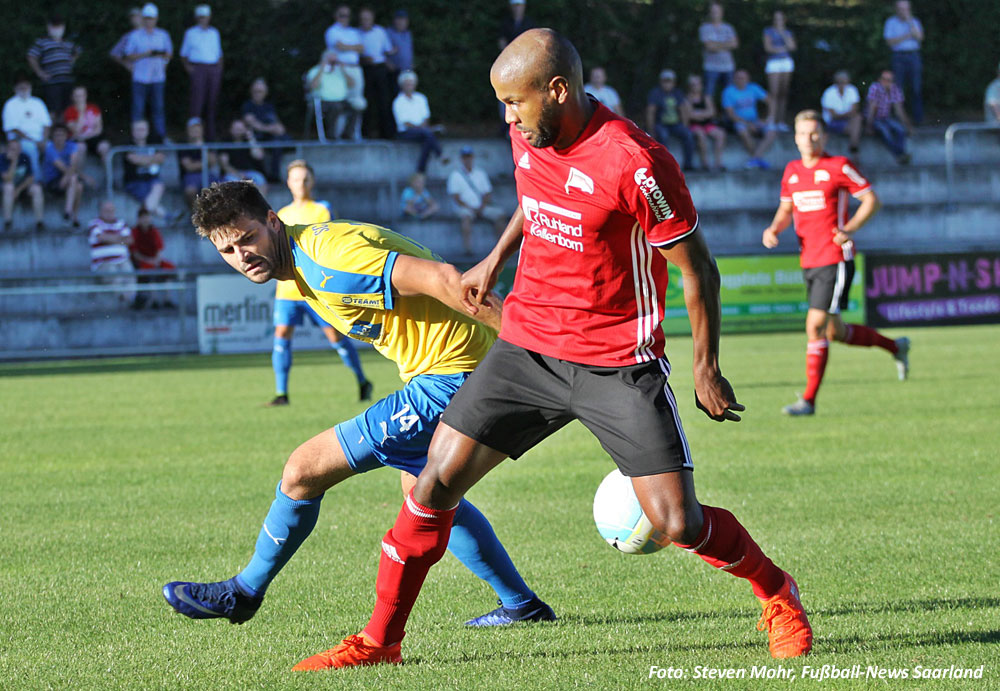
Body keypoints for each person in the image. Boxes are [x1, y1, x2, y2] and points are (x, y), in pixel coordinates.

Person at [305, 27, 812, 670]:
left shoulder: (636, 161)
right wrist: (496, 254)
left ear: (558, 90)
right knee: (433, 483)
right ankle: (380, 642)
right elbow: (534, 193)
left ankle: (778, 592)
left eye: (515, 103)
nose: (506, 117)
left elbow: (697, 269)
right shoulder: (529, 132)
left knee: (677, 522)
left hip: (616, 360)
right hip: (527, 345)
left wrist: (705, 366)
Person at [164, 180, 555, 645]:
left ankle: (244, 592)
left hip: (456, 378)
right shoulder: (305, 265)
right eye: (227, 249)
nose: (241, 255)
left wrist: (541, 351)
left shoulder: (331, 258)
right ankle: (522, 606)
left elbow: (451, 281)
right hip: (451, 374)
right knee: (426, 490)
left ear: (272, 220)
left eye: (246, 238)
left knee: (302, 471)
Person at [762, 110, 909, 416]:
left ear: (824, 136)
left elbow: (871, 199)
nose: (809, 139)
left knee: (814, 326)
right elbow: (786, 209)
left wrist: (849, 230)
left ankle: (808, 401)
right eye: (803, 133)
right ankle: (896, 347)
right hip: (809, 260)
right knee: (833, 332)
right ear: (796, 137)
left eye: (815, 133)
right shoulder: (791, 171)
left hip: (835, 257)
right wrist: (774, 229)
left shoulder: (838, 165)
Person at [267, 159, 371, 406]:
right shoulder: (282, 214)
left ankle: (362, 380)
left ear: (312, 182)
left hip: (314, 287)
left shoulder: (322, 210)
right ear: (288, 183)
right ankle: (282, 393)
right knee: (281, 333)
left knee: (334, 336)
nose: (300, 184)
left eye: (305, 179)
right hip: (288, 289)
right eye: (295, 179)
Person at [122, 3, 173, 141]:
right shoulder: (135, 36)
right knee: (138, 110)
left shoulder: (163, 35)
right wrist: (145, 54)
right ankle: (136, 140)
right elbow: (128, 55)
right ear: (143, 19)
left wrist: (161, 56)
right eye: (147, 18)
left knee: (159, 110)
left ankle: (160, 138)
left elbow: (169, 54)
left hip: (158, 77)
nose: (149, 21)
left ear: (156, 19)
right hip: (140, 77)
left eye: (152, 18)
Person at [446, 146, 505, 255]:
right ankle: (468, 250)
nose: (467, 159)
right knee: (466, 217)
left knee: (500, 215)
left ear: (472, 157)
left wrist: (481, 207)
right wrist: (471, 208)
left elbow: (487, 193)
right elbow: (456, 197)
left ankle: (501, 248)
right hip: (464, 207)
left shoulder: (480, 173)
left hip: (481, 206)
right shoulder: (455, 175)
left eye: (469, 156)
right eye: (465, 157)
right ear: (461, 158)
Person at [180, 4, 224, 141]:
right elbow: (183, 54)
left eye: (205, 17)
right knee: (196, 104)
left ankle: (210, 136)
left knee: (212, 103)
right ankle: (194, 138)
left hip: (213, 69)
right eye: (200, 17)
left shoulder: (214, 33)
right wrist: (190, 69)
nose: (202, 19)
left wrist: (218, 69)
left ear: (209, 17)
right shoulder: (190, 33)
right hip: (198, 68)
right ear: (196, 18)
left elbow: (219, 54)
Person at [26, 14, 81, 120]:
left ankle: (64, 134)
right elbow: (31, 56)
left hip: (67, 81)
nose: (57, 29)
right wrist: (39, 72)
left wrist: (72, 61)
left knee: (67, 110)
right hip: (52, 82)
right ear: (49, 27)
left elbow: (78, 51)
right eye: (54, 26)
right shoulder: (42, 42)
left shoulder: (68, 43)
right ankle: (52, 134)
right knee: (53, 111)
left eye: (59, 26)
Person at [722, 69, 777, 169]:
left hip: (755, 120)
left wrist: (769, 118)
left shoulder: (753, 88)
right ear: (734, 79)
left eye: (743, 78)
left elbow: (770, 101)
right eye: (738, 78)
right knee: (742, 131)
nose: (740, 80)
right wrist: (748, 124)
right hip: (739, 122)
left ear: (748, 79)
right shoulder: (728, 92)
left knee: (772, 131)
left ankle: (755, 158)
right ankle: (757, 159)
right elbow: (730, 114)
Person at [325, 5, 366, 141]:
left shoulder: (354, 32)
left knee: (358, 102)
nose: (345, 18)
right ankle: (337, 134)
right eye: (342, 15)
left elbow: (361, 49)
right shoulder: (332, 31)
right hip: (340, 69)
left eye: (347, 15)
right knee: (342, 101)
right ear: (336, 16)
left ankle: (354, 134)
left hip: (355, 69)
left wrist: (347, 47)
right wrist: (353, 47)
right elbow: (339, 46)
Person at [392, 70, 444, 173]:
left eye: (411, 83)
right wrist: (422, 128)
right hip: (405, 133)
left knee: (428, 138)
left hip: (422, 131)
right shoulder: (398, 101)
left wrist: (422, 128)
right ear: (402, 85)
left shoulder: (421, 98)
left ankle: (420, 170)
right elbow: (405, 123)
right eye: (407, 84)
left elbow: (426, 118)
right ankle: (440, 155)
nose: (409, 86)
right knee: (428, 134)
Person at [2, 75, 51, 180]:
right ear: (15, 89)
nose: (24, 89)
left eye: (26, 86)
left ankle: (50, 180)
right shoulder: (10, 104)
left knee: (51, 148)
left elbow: (46, 125)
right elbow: (13, 128)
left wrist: (44, 140)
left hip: (41, 139)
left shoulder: (38, 102)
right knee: (31, 149)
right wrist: (34, 141)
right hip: (21, 140)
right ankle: (37, 181)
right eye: (21, 87)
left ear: (30, 87)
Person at [88, 199, 136, 305]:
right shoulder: (94, 223)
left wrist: (111, 239)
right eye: (106, 211)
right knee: (115, 275)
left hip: (122, 260)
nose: (109, 213)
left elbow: (129, 241)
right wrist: (120, 239)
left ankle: (130, 300)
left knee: (130, 275)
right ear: (100, 211)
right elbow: (101, 238)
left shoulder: (121, 223)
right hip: (103, 262)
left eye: (111, 210)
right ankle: (125, 299)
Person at [240, 78, 289, 182]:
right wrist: (269, 128)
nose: (258, 94)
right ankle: (265, 176)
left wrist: (268, 128)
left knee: (278, 142)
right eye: (256, 91)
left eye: (260, 91)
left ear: (265, 92)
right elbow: (252, 124)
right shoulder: (247, 106)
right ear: (251, 91)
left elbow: (280, 128)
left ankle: (274, 176)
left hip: (270, 138)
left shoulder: (269, 106)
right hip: (253, 138)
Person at [883, 0, 923, 125]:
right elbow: (890, 42)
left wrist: (910, 22)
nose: (903, 11)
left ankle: (917, 119)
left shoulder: (914, 21)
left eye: (905, 9)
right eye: (901, 9)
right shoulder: (891, 22)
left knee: (916, 88)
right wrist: (906, 36)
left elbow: (920, 38)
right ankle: (899, 118)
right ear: (896, 9)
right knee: (898, 88)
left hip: (913, 55)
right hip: (898, 57)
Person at [645, 69, 695, 171]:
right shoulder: (655, 93)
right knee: (663, 136)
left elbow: (682, 110)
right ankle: (666, 165)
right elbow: (651, 112)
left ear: (674, 82)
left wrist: (685, 126)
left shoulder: (677, 93)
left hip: (675, 124)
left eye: (670, 81)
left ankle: (688, 164)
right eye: (665, 81)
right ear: (661, 81)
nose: (667, 84)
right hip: (661, 124)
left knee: (688, 135)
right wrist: (651, 129)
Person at [359, 7, 396, 140]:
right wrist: (363, 59)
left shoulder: (380, 31)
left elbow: (387, 50)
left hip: (380, 69)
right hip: (365, 69)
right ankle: (366, 134)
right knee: (366, 102)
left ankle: (385, 134)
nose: (365, 21)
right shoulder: (356, 34)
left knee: (384, 101)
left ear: (372, 19)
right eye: (363, 19)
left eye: (367, 18)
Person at [305, 51, 360, 141]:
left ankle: (347, 135)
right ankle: (331, 136)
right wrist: (322, 69)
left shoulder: (340, 71)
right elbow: (313, 86)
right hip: (323, 101)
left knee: (355, 109)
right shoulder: (315, 70)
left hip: (341, 100)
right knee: (335, 108)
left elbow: (352, 84)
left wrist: (343, 69)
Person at [130, 206, 177, 310]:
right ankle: (154, 300)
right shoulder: (134, 232)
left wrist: (156, 260)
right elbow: (135, 254)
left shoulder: (154, 231)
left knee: (168, 269)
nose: (146, 220)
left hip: (155, 260)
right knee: (150, 271)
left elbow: (159, 250)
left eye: (147, 217)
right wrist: (150, 261)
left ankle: (168, 299)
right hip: (143, 261)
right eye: (143, 218)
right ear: (138, 219)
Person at [41, 123, 84, 228]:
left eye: (62, 135)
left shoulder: (72, 146)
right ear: (53, 137)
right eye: (57, 135)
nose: (59, 138)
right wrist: (69, 174)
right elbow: (62, 167)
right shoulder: (49, 149)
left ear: (66, 136)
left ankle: (70, 214)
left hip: (68, 180)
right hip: (53, 182)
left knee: (79, 187)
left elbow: (74, 164)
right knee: (74, 179)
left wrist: (69, 174)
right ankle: (71, 213)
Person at [865, 70, 911, 165]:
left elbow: (899, 110)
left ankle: (901, 154)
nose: (886, 82)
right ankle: (900, 154)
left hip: (886, 117)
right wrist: (868, 126)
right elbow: (871, 109)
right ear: (879, 80)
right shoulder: (875, 88)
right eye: (884, 79)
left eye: (889, 80)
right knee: (885, 132)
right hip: (875, 118)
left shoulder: (894, 89)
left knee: (900, 130)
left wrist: (908, 126)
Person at [123, 119, 167, 217]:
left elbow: (161, 158)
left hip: (151, 180)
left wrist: (142, 160)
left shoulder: (153, 142)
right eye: (138, 129)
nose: (140, 132)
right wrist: (152, 159)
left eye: (143, 129)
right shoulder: (128, 144)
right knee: (152, 193)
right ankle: (166, 217)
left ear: (147, 130)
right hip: (134, 182)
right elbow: (134, 159)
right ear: (133, 131)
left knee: (158, 185)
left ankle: (161, 216)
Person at [1, 138, 44, 232]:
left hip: (22, 187)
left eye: (16, 149)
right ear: (7, 149)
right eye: (11, 149)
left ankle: (39, 222)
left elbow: (31, 178)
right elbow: (7, 179)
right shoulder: (2, 158)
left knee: (37, 189)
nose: (14, 151)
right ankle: (8, 222)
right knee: (9, 187)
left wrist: (19, 190)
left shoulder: (25, 157)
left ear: (20, 149)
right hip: (8, 188)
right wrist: (14, 162)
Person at [762, 11, 796, 130]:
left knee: (783, 93)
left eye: (780, 19)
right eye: (776, 19)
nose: (778, 21)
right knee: (774, 92)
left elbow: (792, 46)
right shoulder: (768, 31)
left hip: (786, 63)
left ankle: (780, 121)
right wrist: (782, 49)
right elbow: (768, 48)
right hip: (774, 63)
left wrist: (782, 35)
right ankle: (771, 119)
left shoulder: (787, 32)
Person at [685, 74, 726, 172]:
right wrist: (704, 114)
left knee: (720, 134)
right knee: (700, 135)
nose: (695, 86)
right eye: (693, 84)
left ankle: (718, 162)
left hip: (707, 125)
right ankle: (705, 163)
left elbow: (712, 112)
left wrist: (698, 114)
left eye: (697, 84)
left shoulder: (706, 97)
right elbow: (689, 115)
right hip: (694, 125)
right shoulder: (687, 99)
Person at [699, 2, 738, 100]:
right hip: (711, 67)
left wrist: (716, 44)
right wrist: (726, 44)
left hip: (728, 67)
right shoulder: (704, 28)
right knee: (709, 93)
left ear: (721, 12)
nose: (715, 13)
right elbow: (709, 47)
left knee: (729, 94)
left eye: (717, 11)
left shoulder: (728, 28)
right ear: (709, 13)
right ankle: (709, 114)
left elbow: (735, 44)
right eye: (713, 11)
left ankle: (728, 115)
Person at [63, 85, 111, 162]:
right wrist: (81, 113)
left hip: (92, 137)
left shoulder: (94, 108)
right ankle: (79, 173)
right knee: (81, 147)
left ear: (86, 95)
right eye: (77, 96)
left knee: (105, 146)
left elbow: (99, 129)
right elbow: (76, 131)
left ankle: (108, 173)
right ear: (72, 97)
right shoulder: (69, 111)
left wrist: (87, 136)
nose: (80, 98)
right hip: (77, 139)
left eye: (82, 95)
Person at [178, 117, 218, 208]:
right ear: (188, 130)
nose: (196, 131)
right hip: (190, 176)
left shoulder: (208, 142)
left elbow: (213, 162)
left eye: (198, 128)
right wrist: (206, 163)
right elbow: (189, 167)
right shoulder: (183, 145)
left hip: (208, 174)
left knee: (218, 189)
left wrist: (202, 147)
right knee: (190, 191)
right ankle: (196, 215)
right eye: (193, 128)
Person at [220, 118, 269, 194]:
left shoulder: (249, 142)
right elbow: (224, 164)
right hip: (233, 173)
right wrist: (238, 175)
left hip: (250, 172)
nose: (238, 131)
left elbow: (259, 156)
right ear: (230, 130)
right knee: (231, 183)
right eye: (236, 129)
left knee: (260, 179)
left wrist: (251, 138)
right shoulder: (225, 142)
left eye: (240, 129)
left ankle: (260, 205)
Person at [820, 70, 862, 153]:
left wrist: (845, 114)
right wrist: (848, 114)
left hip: (846, 120)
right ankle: (854, 147)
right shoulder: (829, 93)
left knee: (857, 118)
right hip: (831, 122)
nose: (842, 84)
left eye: (844, 82)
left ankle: (854, 146)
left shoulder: (852, 90)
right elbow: (833, 115)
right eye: (839, 82)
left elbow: (854, 110)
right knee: (855, 128)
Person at [386, 9, 414, 93]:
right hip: (394, 71)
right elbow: (381, 51)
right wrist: (387, 63)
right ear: (394, 20)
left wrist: (412, 62)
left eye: (403, 19)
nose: (400, 22)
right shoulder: (388, 32)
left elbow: (410, 49)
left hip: (408, 70)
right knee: (395, 94)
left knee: (408, 94)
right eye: (398, 19)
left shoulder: (408, 33)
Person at [109, 7, 143, 73]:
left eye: (137, 16)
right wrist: (126, 64)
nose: (134, 19)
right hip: (138, 76)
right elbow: (114, 54)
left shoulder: (153, 33)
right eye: (132, 17)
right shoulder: (127, 37)